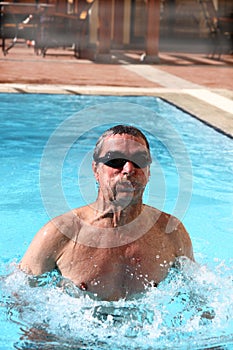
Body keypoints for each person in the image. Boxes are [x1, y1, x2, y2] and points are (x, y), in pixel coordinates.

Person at [20, 125, 194, 301]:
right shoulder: (60, 233)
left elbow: (200, 295)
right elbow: (18, 296)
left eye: (139, 160)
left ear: (148, 172)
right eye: (116, 160)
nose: (128, 169)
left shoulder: (170, 231)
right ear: (96, 170)